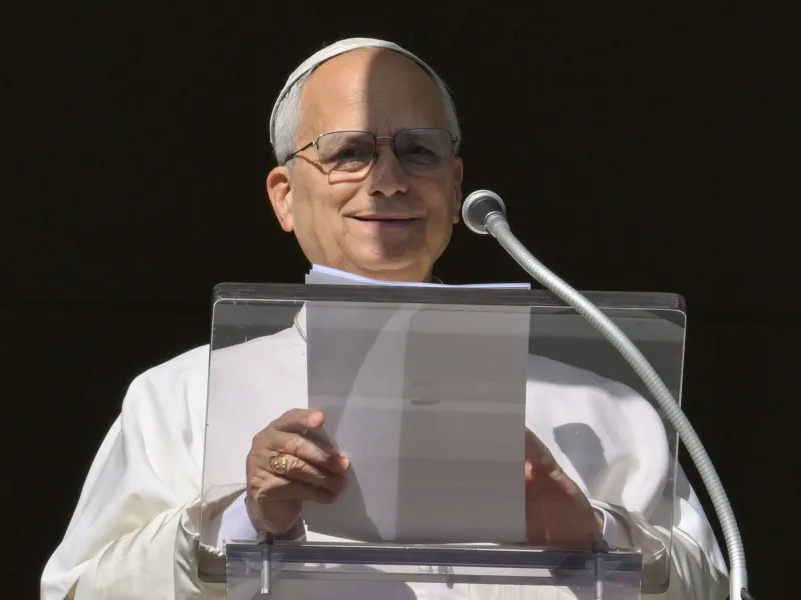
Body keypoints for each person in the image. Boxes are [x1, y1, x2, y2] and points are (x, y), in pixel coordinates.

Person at [41, 38, 729, 599]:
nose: (389, 181)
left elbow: (719, 590)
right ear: (284, 197)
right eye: (348, 152)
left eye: (418, 151)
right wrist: (245, 521)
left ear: (455, 189)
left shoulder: (606, 409)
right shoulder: (180, 397)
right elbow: (78, 593)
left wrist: (594, 539)